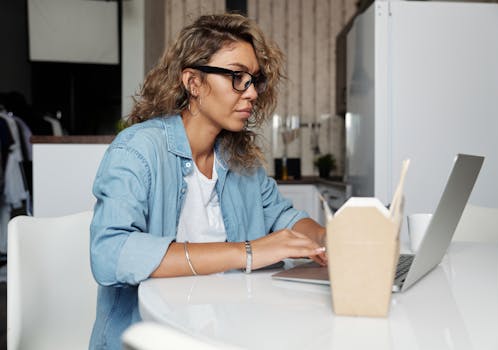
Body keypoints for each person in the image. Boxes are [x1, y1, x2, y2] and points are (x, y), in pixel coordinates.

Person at [89, 13, 327, 349]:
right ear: (194, 82)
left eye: (253, 80)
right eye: (236, 77)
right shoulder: (138, 149)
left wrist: (327, 240)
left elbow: (284, 217)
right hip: (153, 335)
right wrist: (246, 253)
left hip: (230, 330)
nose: (252, 93)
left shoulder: (239, 158)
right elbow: (110, 254)